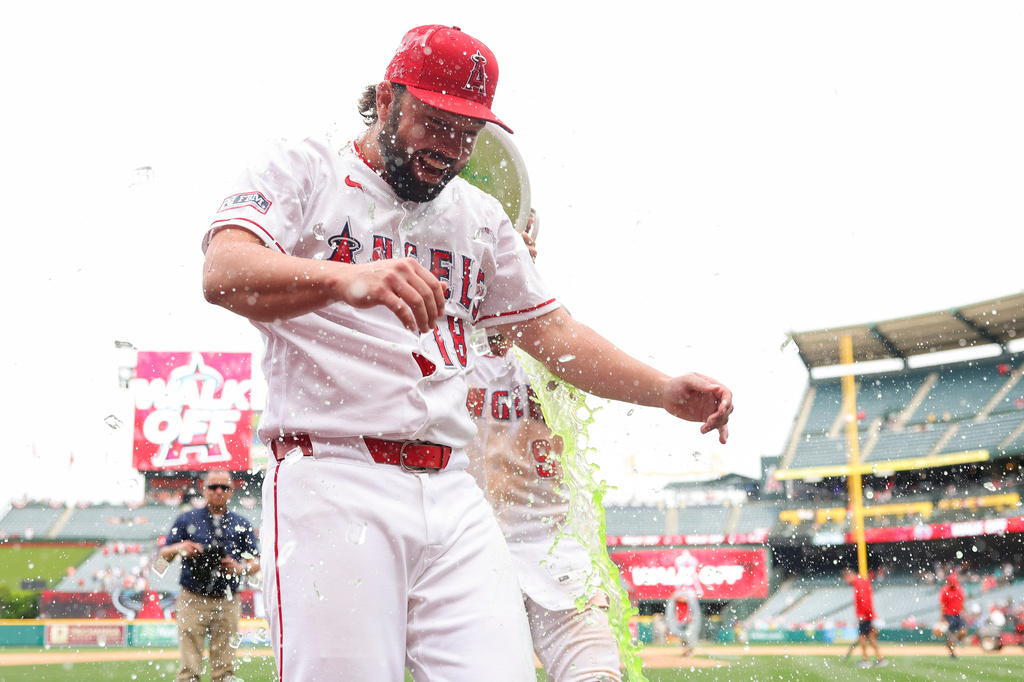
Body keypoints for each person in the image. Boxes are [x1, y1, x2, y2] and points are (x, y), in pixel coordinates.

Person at [201, 24, 733, 682]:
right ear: (389, 98)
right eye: (435, 122)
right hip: (334, 475)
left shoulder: (477, 216)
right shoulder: (304, 164)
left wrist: (663, 390)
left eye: (467, 134)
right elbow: (223, 271)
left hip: (452, 490)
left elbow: (556, 335)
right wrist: (347, 278)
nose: (449, 149)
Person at [464, 216, 621, 682]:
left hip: (559, 549)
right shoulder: (454, 350)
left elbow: (559, 334)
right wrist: (481, 265)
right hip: (471, 549)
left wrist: (517, 272)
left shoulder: (549, 352)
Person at [159, 470, 259, 682]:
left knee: (224, 671)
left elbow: (257, 562)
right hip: (192, 598)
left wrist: (239, 567)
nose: (219, 491)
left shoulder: (242, 523)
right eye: (213, 487)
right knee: (188, 670)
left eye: (224, 487)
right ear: (204, 490)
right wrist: (181, 547)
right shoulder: (186, 519)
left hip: (228, 599)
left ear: (232, 491)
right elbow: (160, 561)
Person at [841, 568, 887, 668]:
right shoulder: (861, 581)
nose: (846, 582)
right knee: (870, 636)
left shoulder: (859, 583)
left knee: (862, 636)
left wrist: (863, 614)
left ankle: (866, 660)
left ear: (848, 576)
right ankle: (880, 658)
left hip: (865, 615)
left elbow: (864, 599)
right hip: (867, 614)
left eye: (845, 579)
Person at [664, 587, 700, 657]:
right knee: (682, 637)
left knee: (687, 636)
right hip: (679, 621)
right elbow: (675, 598)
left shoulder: (687, 599)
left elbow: (684, 599)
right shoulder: (678, 600)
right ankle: (686, 649)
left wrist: (678, 596)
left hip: (686, 621)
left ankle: (688, 649)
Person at [939, 571, 967, 658]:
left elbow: (962, 602)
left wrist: (965, 612)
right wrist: (942, 617)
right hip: (949, 615)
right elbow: (942, 605)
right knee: (951, 634)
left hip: (957, 615)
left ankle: (952, 643)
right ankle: (952, 652)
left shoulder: (959, 590)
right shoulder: (945, 590)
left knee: (963, 631)